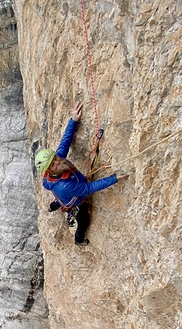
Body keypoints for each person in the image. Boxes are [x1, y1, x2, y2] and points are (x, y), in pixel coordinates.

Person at [35, 102, 128, 246]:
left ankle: (55, 204)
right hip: (74, 198)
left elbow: (65, 142)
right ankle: (79, 240)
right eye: (53, 164)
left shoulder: (58, 162)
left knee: (61, 198)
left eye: (55, 158)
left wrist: (73, 120)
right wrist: (114, 178)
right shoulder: (65, 186)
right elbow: (89, 189)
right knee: (83, 221)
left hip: (65, 192)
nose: (57, 162)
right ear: (49, 171)